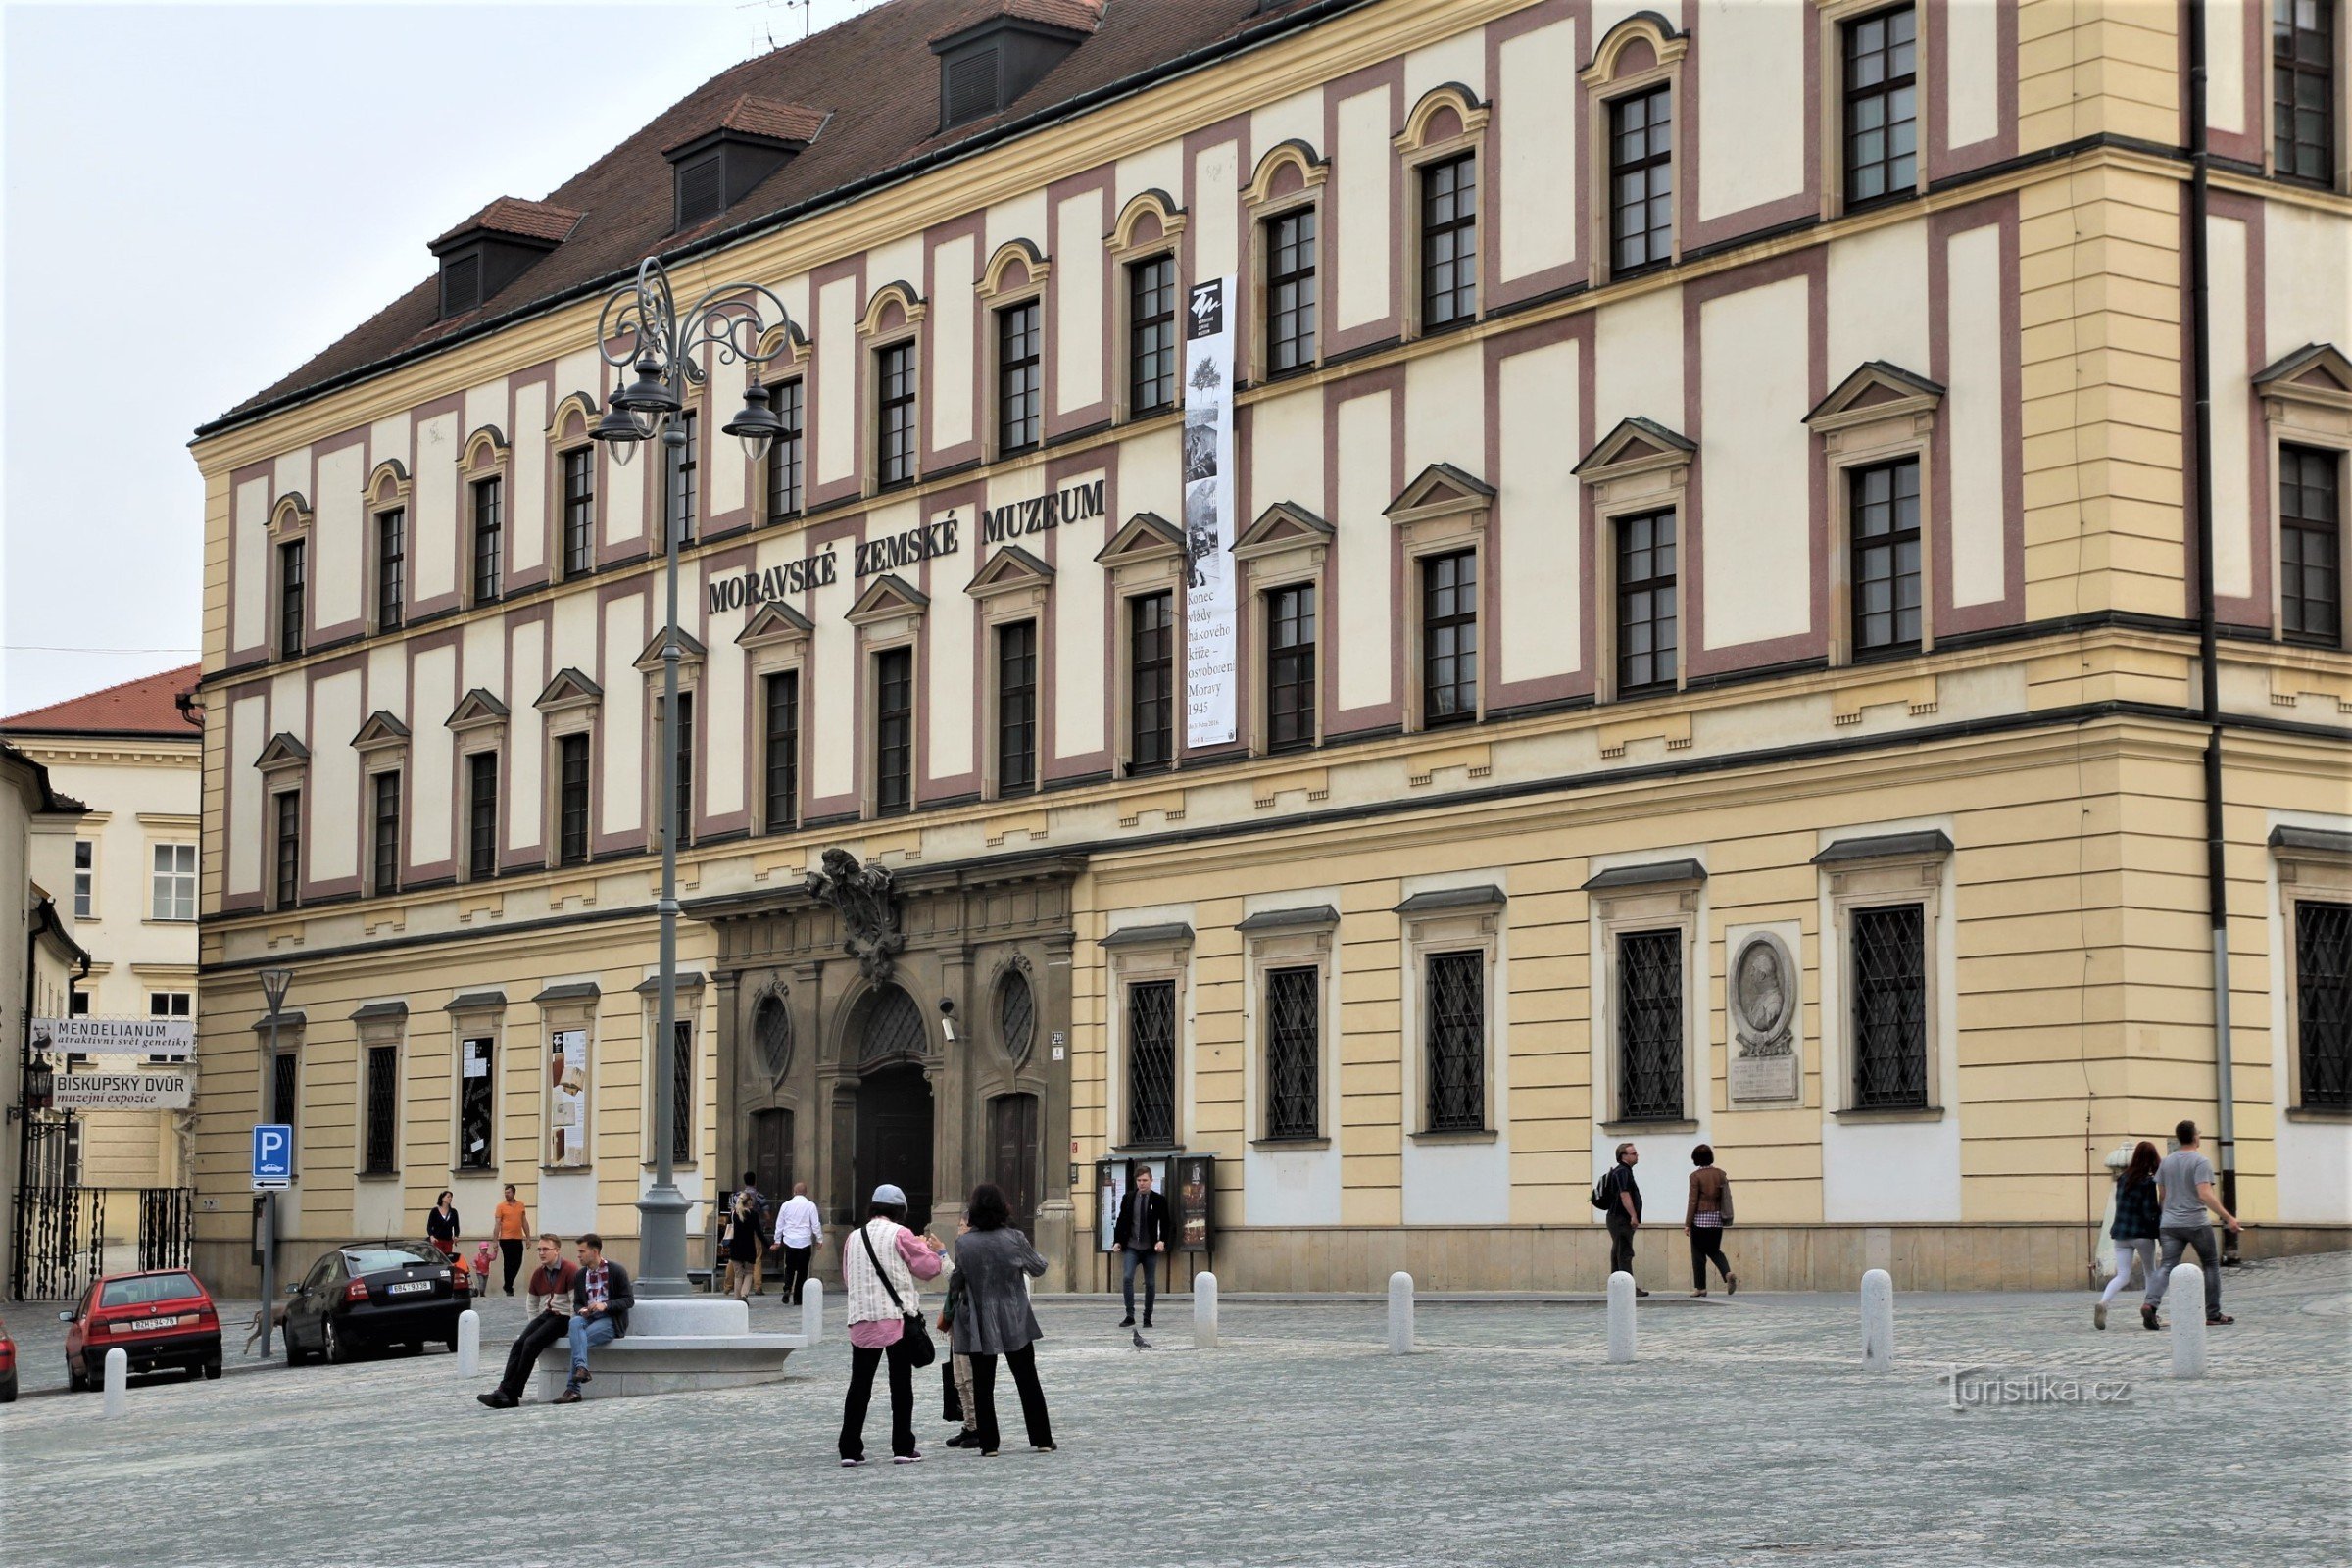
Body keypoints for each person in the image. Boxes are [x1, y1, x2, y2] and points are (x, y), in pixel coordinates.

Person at [838, 1183, 944, 1466]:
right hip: (895, 1320)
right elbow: (928, 1269)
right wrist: (930, 1250)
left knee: (859, 1386)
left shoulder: (853, 1237)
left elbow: (849, 1279)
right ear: (900, 1211)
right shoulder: (901, 1234)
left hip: (861, 1318)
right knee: (900, 1385)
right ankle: (902, 1447)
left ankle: (849, 1449)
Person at [951, 1182, 1054, 1457]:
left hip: (980, 1320)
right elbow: (1039, 1267)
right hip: (1015, 1316)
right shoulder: (1015, 1238)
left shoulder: (964, 1243)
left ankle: (989, 1443)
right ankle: (1042, 1438)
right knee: (1027, 1379)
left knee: (984, 1384)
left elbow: (957, 1280)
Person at [2144, 1119, 2241, 1329]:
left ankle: (2150, 1305)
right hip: (2196, 1222)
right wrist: (2228, 1217)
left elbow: (2162, 1193)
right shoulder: (2201, 1162)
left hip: (2169, 1223)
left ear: (2179, 1138)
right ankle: (2213, 1313)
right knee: (2210, 1265)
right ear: (2195, 1136)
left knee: (2167, 1266)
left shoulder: (2167, 1162)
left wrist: (2168, 1213)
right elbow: (2205, 1193)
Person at [476, 1235, 576, 1408]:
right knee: (519, 1343)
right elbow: (532, 1302)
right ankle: (504, 1389)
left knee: (531, 1343)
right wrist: (534, 1323)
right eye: (539, 1249)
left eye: (545, 1249)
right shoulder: (539, 1273)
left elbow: (575, 1302)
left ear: (557, 1251)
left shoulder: (570, 1270)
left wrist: (572, 1327)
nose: (541, 1253)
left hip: (563, 1317)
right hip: (546, 1316)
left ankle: (512, 1393)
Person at [555, 1232, 634, 1404]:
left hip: (610, 1321)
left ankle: (573, 1390)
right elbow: (576, 1303)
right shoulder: (580, 1275)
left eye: (582, 1251)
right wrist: (582, 1309)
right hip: (588, 1319)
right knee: (575, 1321)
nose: (578, 1255)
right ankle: (582, 1369)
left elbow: (628, 1300)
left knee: (578, 1342)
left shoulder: (616, 1271)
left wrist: (605, 1305)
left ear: (595, 1251)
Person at [2096, 1140, 2163, 1330]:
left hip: (2121, 1233)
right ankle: (2150, 1309)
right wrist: (2159, 1229)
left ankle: (2103, 1303)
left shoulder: (2123, 1179)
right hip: (2142, 1233)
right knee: (2150, 1272)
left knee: (2122, 1275)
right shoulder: (2148, 1183)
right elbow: (2149, 1210)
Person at [1111, 1167, 1170, 1328]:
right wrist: (1118, 1241)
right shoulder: (1129, 1198)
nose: (1142, 1183)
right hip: (1132, 1246)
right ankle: (1130, 1315)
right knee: (1127, 1278)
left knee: (1150, 1283)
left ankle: (1147, 1317)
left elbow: (1166, 1223)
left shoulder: (1159, 1200)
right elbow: (1122, 1220)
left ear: (1151, 1181)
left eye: (1144, 1180)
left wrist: (1162, 1241)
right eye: (1139, 1180)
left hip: (1150, 1249)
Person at [1683, 1145, 1737, 1298]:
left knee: (1698, 1253)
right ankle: (1727, 1273)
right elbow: (1726, 1197)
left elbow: (1693, 1201)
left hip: (1700, 1219)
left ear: (1696, 1159)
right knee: (1714, 1250)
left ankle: (1701, 1287)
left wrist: (1687, 1223)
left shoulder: (1695, 1176)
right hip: (1717, 1219)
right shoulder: (1720, 1174)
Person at [1601, 1143, 1648, 1298]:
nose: (1637, 1155)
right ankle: (1627, 1288)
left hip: (1616, 1218)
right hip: (1620, 1218)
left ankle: (1616, 1286)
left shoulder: (1623, 1171)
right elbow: (1624, 1194)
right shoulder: (1622, 1172)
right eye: (1633, 1153)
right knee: (1624, 1253)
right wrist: (1633, 1215)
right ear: (1624, 1156)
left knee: (1618, 1251)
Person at [773, 1181, 823, 1306]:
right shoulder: (810, 1205)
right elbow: (815, 1224)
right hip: (804, 1241)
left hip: (789, 1240)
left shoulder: (785, 1205)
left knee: (789, 1267)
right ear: (805, 1192)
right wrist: (819, 1239)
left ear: (794, 1191)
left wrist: (777, 1240)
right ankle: (798, 1297)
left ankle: (787, 1287)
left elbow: (780, 1224)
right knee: (802, 1271)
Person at [723, 1188, 762, 1300]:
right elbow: (759, 1232)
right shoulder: (754, 1215)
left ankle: (737, 1299)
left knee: (738, 1274)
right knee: (749, 1272)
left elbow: (728, 1228)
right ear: (749, 1202)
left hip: (735, 1248)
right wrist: (769, 1244)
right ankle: (744, 1294)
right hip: (749, 1247)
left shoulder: (733, 1215)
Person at [492, 1185, 530, 1296]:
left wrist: (528, 1238)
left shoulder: (521, 1205)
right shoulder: (501, 1206)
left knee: (518, 1262)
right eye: (505, 1192)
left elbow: (524, 1222)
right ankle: (509, 1287)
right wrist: (495, 1241)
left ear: (513, 1193)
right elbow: (497, 1224)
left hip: (518, 1238)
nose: (506, 1194)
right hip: (505, 1239)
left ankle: (508, 1284)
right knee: (508, 1263)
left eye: (508, 1192)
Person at [736, 1170, 769, 1297]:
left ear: (744, 1181)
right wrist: (767, 1223)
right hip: (754, 1231)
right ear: (754, 1181)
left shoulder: (737, 1196)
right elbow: (766, 1214)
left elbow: (731, 1211)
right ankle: (758, 1286)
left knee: (734, 1259)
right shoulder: (760, 1196)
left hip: (738, 1231)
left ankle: (727, 1285)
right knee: (757, 1257)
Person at [426, 1191, 462, 1258]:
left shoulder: (453, 1212)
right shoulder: (435, 1211)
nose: (450, 1198)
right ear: (442, 1198)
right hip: (437, 1241)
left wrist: (456, 1236)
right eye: (448, 1196)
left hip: (448, 1241)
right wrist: (431, 1236)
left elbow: (456, 1226)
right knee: (438, 1259)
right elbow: (429, 1226)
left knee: (447, 1260)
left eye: (451, 1197)